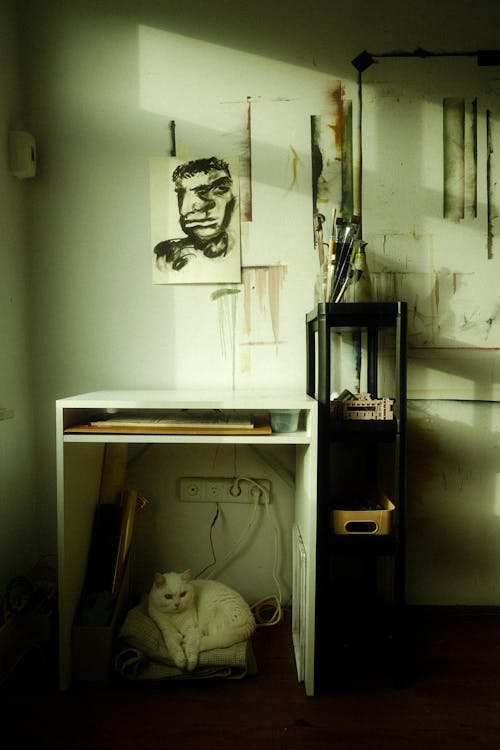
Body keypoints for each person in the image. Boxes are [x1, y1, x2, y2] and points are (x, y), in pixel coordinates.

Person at [154, 156, 237, 272]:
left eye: (220, 188)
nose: (183, 210)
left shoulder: (237, 248)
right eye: (181, 195)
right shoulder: (168, 257)